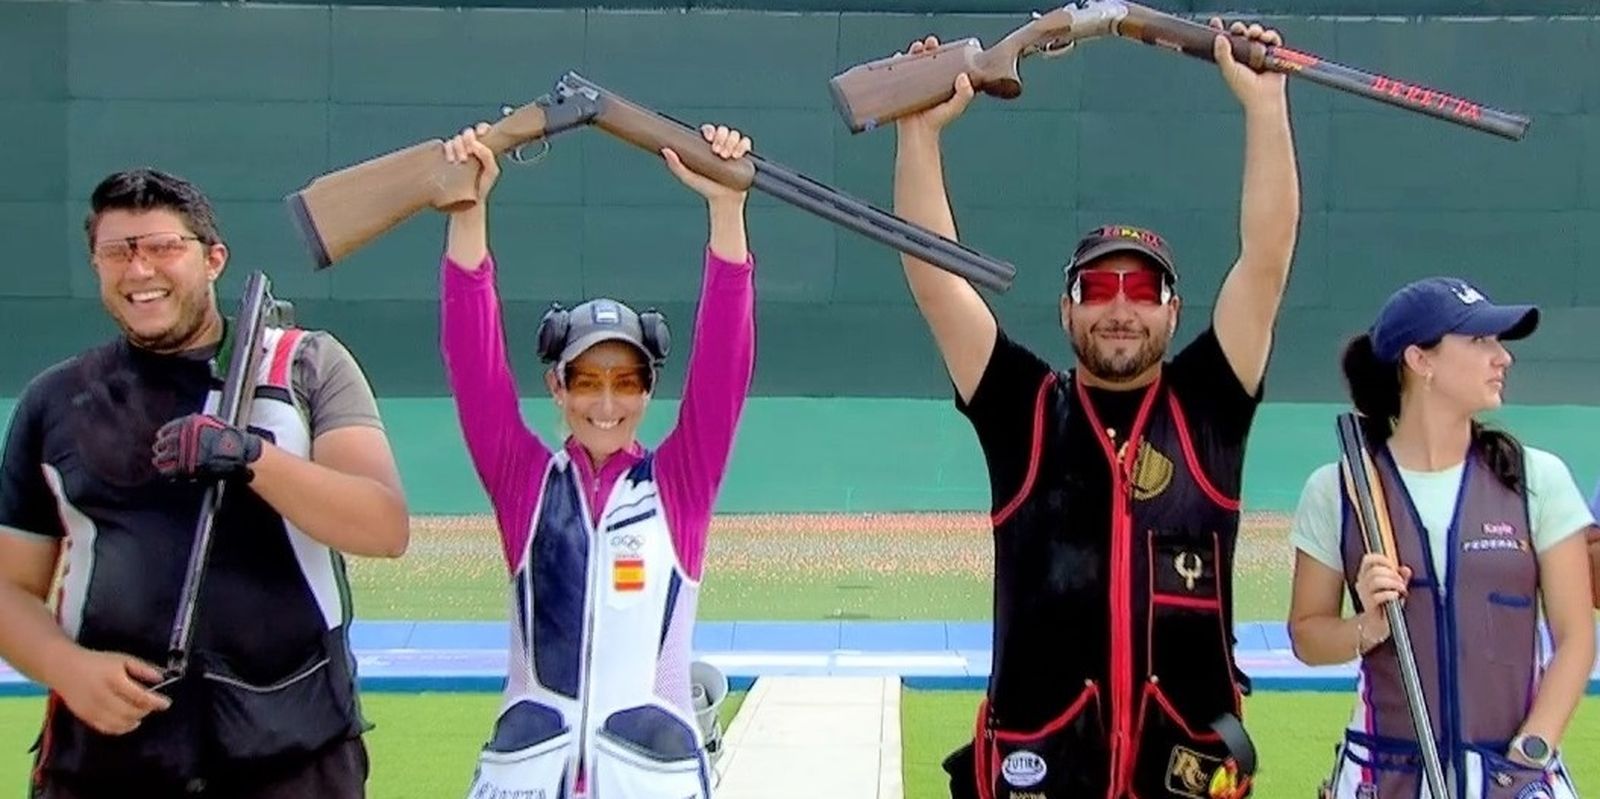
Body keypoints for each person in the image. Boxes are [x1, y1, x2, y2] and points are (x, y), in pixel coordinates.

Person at [887, 16, 1301, 799]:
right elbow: (937, 281)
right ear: (1066, 309)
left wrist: (1265, 105)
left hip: (1187, 775)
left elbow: (1267, 260)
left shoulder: (1209, 405)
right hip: (1038, 769)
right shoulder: (1025, 409)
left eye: (1142, 288)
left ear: (1173, 311)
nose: (1119, 307)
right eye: (1097, 287)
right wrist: (918, 134)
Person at [0, 168, 410, 798]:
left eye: (163, 247)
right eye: (117, 252)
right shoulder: (54, 400)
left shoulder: (301, 366)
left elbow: (381, 526)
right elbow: (10, 587)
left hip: (295, 752)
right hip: (106, 759)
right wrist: (68, 668)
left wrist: (250, 457)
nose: (140, 270)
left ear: (214, 259)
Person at [437, 120, 756, 799]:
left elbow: (723, 369)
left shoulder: (680, 484)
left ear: (648, 390)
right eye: (586, 380)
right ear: (556, 386)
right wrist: (467, 211)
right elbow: (473, 363)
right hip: (528, 781)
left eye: (627, 381)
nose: (606, 403)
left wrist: (728, 208)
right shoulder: (524, 481)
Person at [1287, 277, 1596, 798]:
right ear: (1420, 360)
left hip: (1512, 775)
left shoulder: (1537, 478)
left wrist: (1531, 753)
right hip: (1381, 775)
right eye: (1480, 341)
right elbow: (1307, 637)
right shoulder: (1337, 489)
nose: (1503, 358)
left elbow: (1576, 637)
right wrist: (1367, 626)